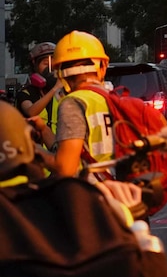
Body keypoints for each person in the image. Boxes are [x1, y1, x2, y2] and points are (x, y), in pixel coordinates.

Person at [52, 31, 116, 177]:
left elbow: (65, 170)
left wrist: (36, 152)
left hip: (91, 195)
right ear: (103, 66)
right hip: (123, 193)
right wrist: (44, 130)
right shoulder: (114, 98)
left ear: (60, 74)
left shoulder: (73, 103)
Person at [16, 41, 64, 149]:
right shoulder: (26, 93)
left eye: (54, 64)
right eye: (46, 64)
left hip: (56, 152)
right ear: (35, 66)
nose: (51, 69)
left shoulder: (62, 93)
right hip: (32, 154)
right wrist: (54, 89)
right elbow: (31, 111)